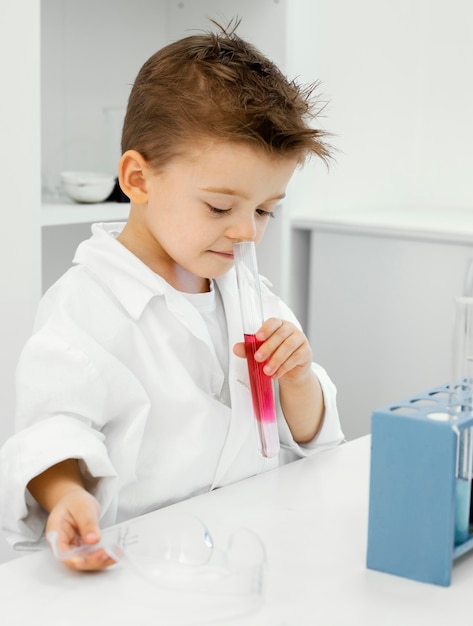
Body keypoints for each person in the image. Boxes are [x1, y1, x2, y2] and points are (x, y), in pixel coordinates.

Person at [0, 20, 344, 571]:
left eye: (264, 211)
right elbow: (50, 431)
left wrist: (298, 380)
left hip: (249, 543)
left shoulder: (248, 292)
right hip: (141, 561)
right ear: (138, 179)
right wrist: (66, 495)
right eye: (218, 207)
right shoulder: (87, 304)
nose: (247, 233)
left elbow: (307, 435)